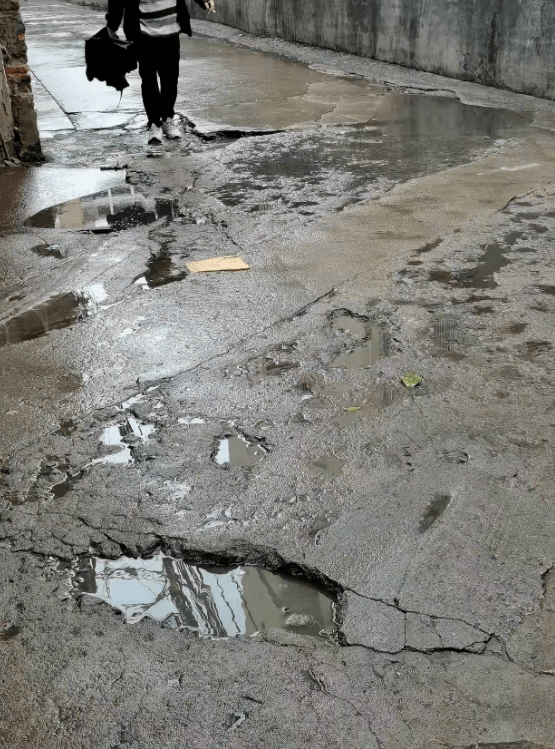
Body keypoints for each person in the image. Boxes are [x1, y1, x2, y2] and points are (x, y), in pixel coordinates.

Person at [106, 0, 215, 145]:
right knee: (149, 79)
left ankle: (167, 119)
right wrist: (112, 26)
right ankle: (154, 124)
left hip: (171, 31)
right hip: (143, 33)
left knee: (170, 78)